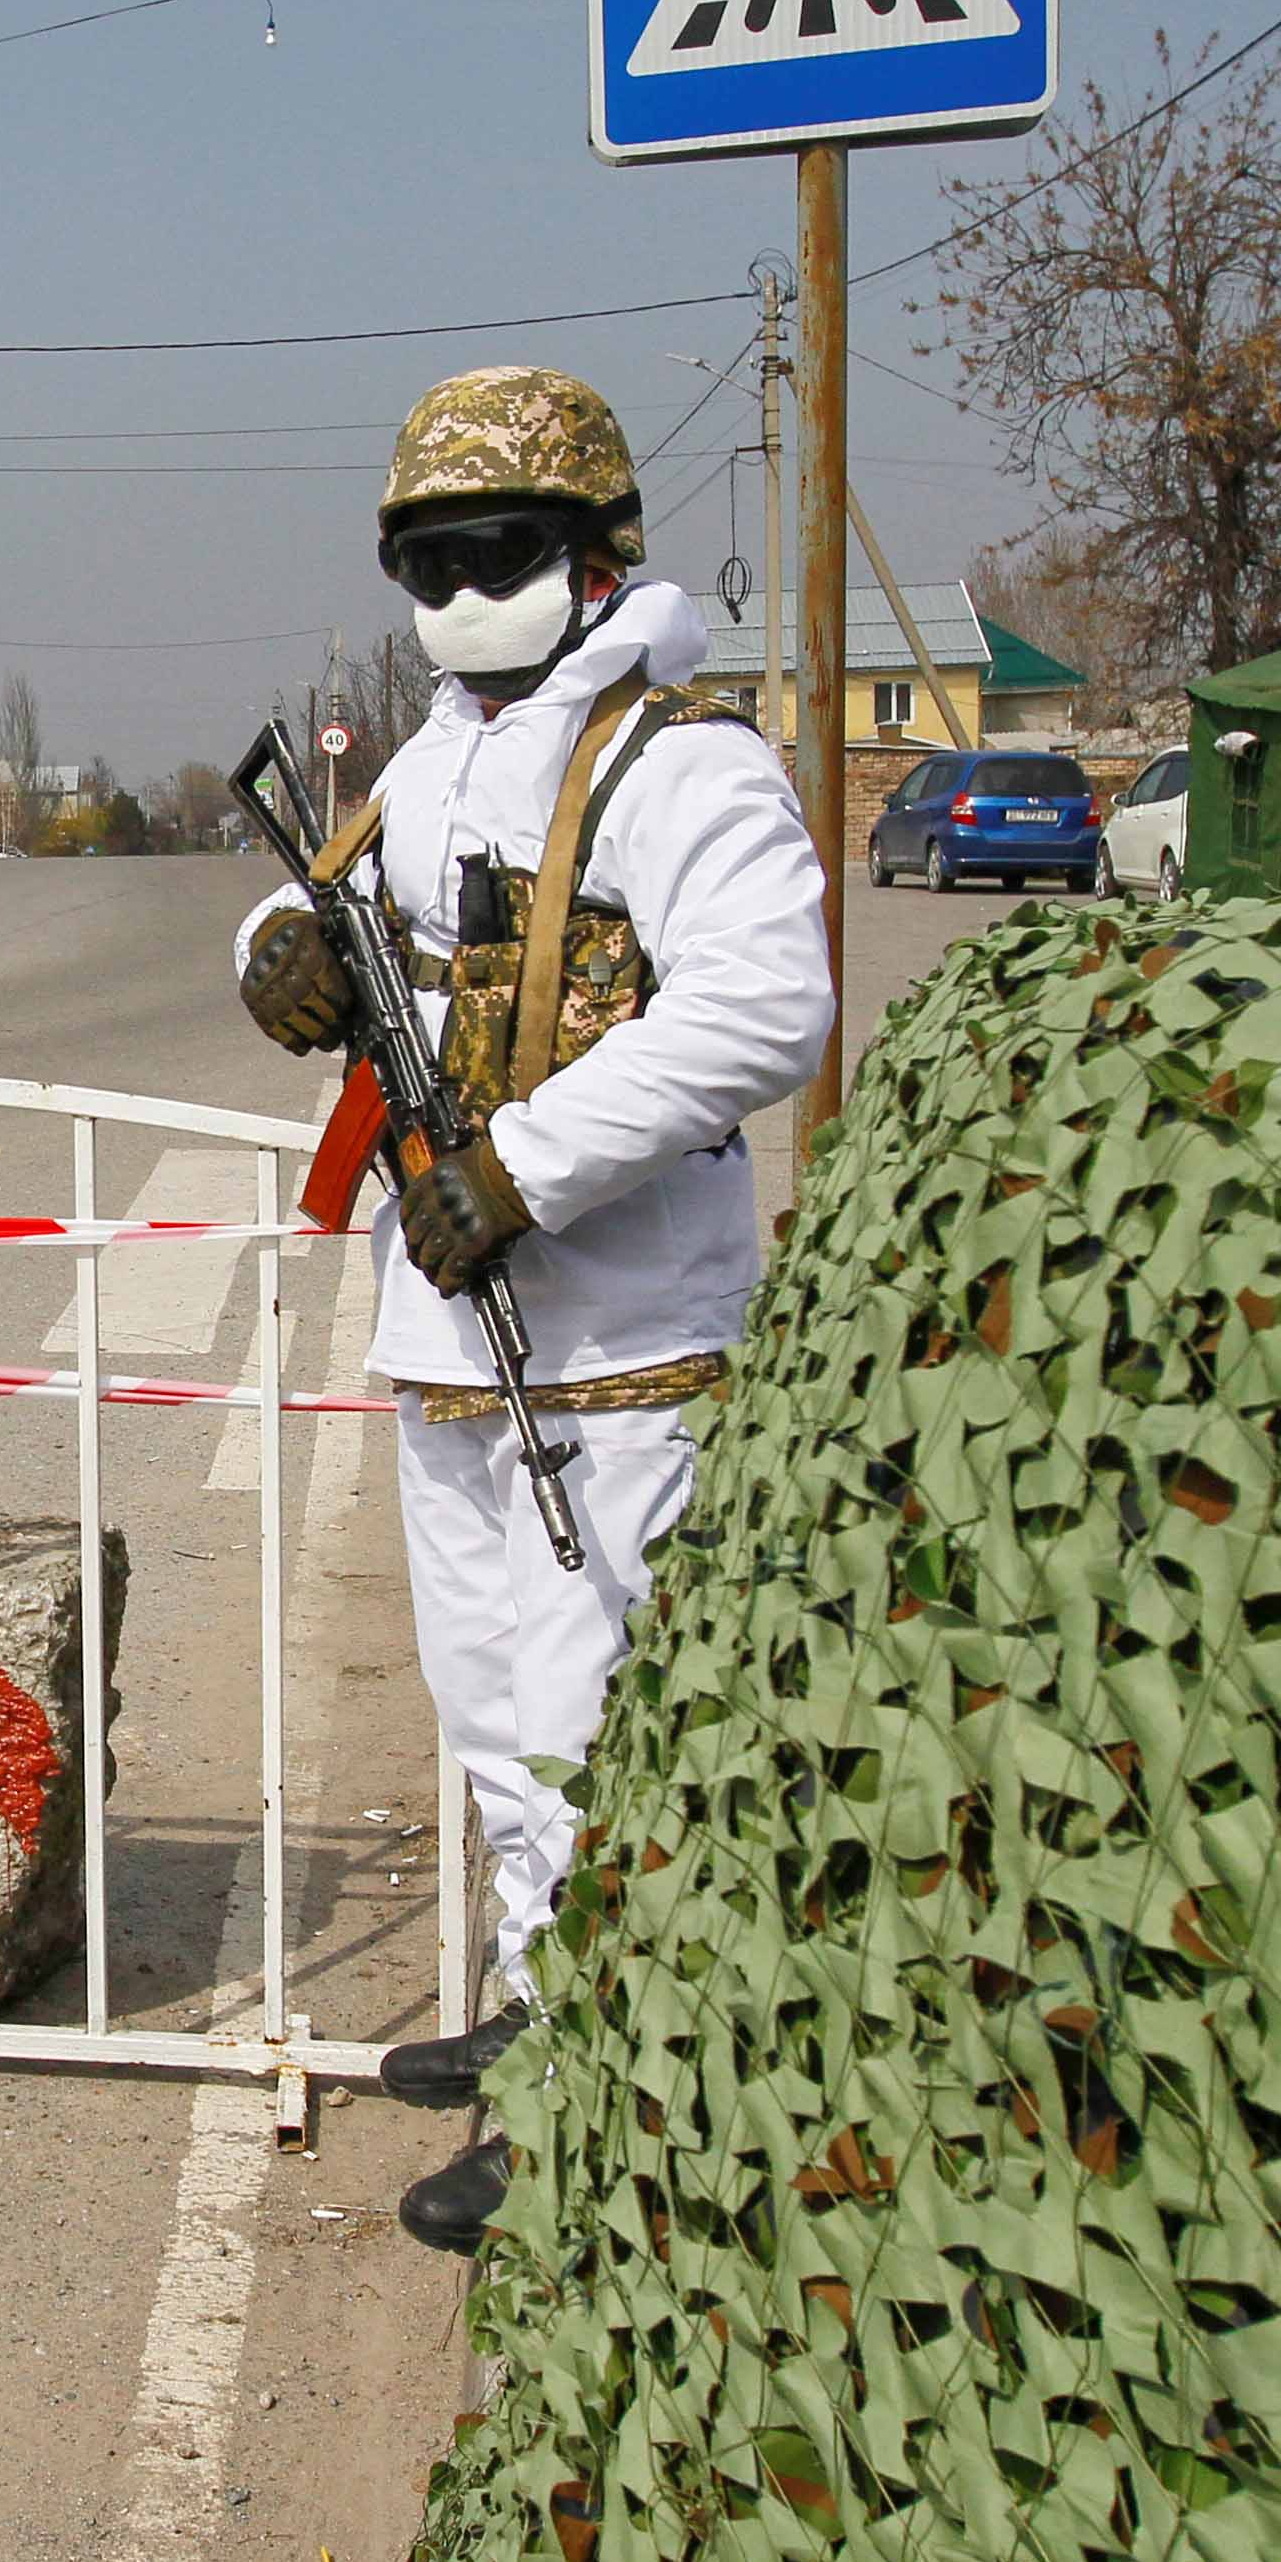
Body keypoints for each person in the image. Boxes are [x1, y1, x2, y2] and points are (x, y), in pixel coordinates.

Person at [234, 369, 831, 2253]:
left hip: (618, 1336)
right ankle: (543, 2025)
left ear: (594, 557)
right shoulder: (434, 757)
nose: (460, 595)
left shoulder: (681, 763)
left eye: (497, 555)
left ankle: (607, 2100)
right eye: (426, 565)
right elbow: (326, 904)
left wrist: (524, 1170)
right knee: (492, 1712)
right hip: (448, 1337)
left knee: (591, 1722)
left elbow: (761, 1005)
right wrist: (279, 961)